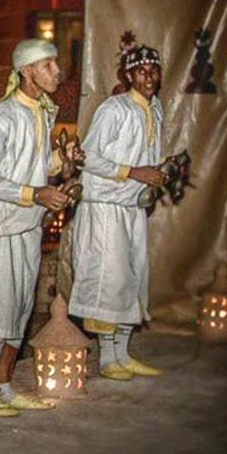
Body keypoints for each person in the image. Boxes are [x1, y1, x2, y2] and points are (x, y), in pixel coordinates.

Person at [0, 38, 81, 417]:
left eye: (56, 64)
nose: (57, 72)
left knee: (18, 306)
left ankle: (3, 385)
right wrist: (37, 194)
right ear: (26, 71)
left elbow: (34, 163)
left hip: (25, 225)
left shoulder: (41, 113)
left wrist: (63, 161)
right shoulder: (0, 117)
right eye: (48, 65)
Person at [68, 44, 166, 380]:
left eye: (153, 70)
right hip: (105, 208)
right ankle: (107, 358)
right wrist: (135, 172)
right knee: (110, 281)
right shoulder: (114, 109)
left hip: (132, 208)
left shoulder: (155, 109)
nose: (148, 77)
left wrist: (156, 174)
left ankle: (124, 354)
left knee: (134, 278)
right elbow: (87, 157)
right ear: (128, 75)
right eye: (141, 71)